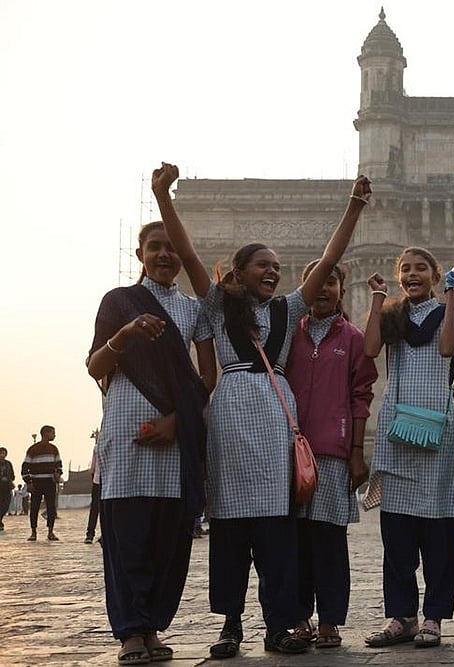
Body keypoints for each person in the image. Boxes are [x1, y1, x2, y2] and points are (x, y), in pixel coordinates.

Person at [159, 160, 371, 657]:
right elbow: (188, 252)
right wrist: (164, 198)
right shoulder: (215, 306)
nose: (273, 271)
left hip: (276, 416)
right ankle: (231, 624)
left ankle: (280, 624)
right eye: (263, 265)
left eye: (277, 267)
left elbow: (328, 258)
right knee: (231, 527)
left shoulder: (288, 309)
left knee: (277, 530)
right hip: (231, 415)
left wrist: (355, 206)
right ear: (238, 272)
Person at [86, 165, 221, 664]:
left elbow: (207, 378)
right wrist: (125, 335)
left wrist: (177, 423)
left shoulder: (193, 310)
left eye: (172, 248)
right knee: (126, 540)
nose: (164, 255)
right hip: (126, 437)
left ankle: (153, 627)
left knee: (169, 540)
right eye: (154, 248)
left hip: (173, 438)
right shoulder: (118, 302)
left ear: (181, 256)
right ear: (140, 255)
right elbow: (95, 365)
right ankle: (130, 633)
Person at [362, 248, 454, 649]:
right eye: (405, 269)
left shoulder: (448, 312)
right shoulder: (392, 315)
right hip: (397, 429)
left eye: (421, 268)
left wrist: (453, 298)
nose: (412, 274)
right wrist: (376, 299)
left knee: (439, 530)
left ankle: (433, 617)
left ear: (435, 276)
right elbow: (371, 349)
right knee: (398, 531)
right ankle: (402, 616)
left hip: (436, 427)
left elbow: (445, 350)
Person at [285, 260, 377, 649]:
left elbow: (361, 397)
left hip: (333, 456)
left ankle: (329, 622)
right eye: (314, 282)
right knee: (294, 541)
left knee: (329, 541)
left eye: (330, 282)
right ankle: (299, 617)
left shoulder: (353, 339)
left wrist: (357, 450)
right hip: (288, 454)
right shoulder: (288, 336)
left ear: (342, 288)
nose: (321, 289)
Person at [22, 425, 62, 542]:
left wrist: (58, 474)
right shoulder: (32, 449)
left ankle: (50, 532)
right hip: (36, 483)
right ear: (46, 433)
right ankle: (33, 532)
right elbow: (25, 467)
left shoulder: (54, 449)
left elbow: (59, 465)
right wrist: (29, 482)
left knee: (51, 507)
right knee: (34, 507)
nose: (54, 435)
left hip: (50, 482)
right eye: (53, 433)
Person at [85, 443, 101, 544]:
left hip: (97, 481)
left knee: (94, 509)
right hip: (112, 482)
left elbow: (92, 469)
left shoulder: (97, 446)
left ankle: (90, 534)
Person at [0, 447, 13, 531]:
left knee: (6, 506)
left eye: (3, 453)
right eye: (0, 453)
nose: (2, 455)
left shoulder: (8, 464)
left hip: (7, 487)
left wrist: (10, 480)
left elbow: (12, 474)